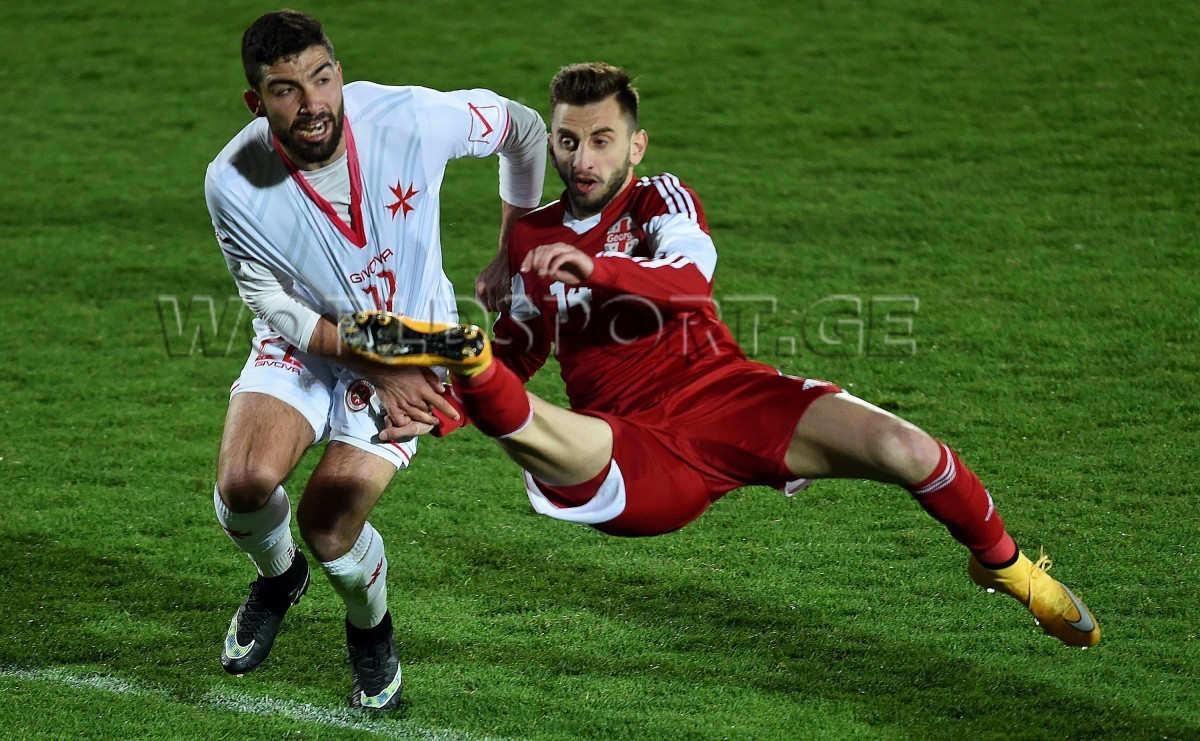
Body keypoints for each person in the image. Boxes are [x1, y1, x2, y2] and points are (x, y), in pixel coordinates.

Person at [341, 62, 1100, 649]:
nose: (581, 157)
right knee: (515, 394)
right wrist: (442, 411)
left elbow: (688, 278)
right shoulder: (531, 237)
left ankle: (1006, 567)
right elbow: (525, 345)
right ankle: (462, 361)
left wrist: (597, 268)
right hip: (633, 442)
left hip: (730, 395)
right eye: (568, 140)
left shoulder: (660, 199)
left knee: (908, 448)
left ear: (635, 145)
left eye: (602, 140)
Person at [202, 10, 547, 710]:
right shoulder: (235, 179)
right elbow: (278, 308)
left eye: (322, 78)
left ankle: (370, 629)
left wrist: (513, 249)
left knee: (330, 528)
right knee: (243, 484)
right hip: (308, 340)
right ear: (256, 102)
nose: (312, 103)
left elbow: (526, 130)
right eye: (285, 89)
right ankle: (279, 578)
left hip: (417, 342)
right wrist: (377, 366)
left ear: (340, 72)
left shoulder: (407, 119)